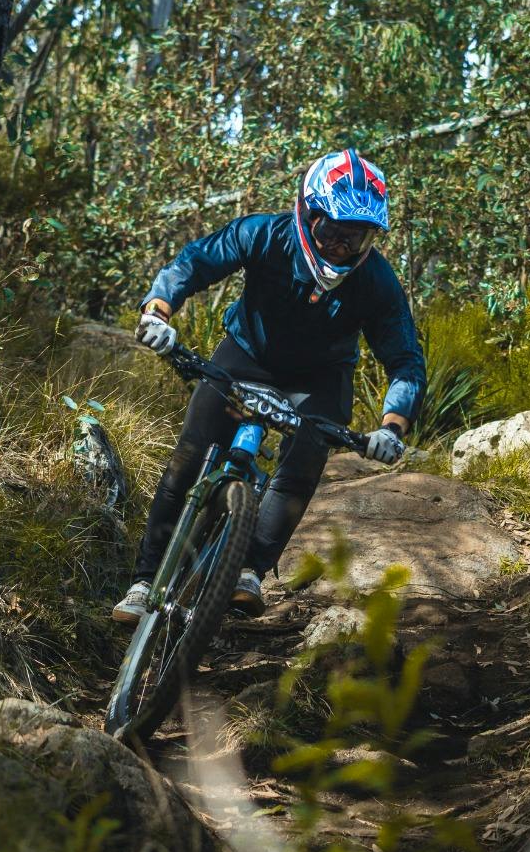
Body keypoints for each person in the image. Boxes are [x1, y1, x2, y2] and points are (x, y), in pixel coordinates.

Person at [113, 149, 425, 623]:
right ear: (307, 213)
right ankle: (143, 580)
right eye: (331, 231)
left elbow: (405, 360)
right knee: (188, 459)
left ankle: (249, 571)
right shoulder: (263, 234)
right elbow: (195, 262)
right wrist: (158, 311)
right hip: (246, 357)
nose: (340, 247)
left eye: (355, 237)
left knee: (302, 465)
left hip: (321, 379)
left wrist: (391, 427)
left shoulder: (377, 281)